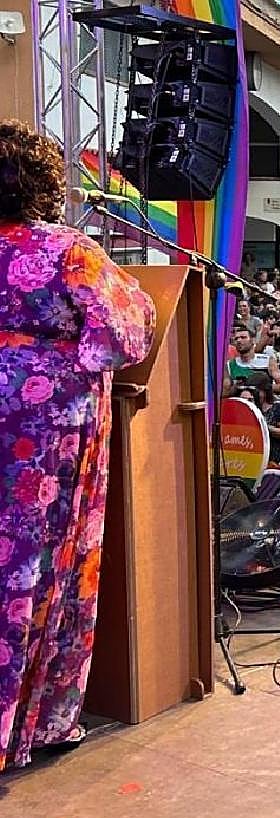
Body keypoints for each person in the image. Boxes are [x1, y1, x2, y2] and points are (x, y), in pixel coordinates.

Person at [0, 119, 156, 770]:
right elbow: (127, 329)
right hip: (49, 428)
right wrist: (69, 361)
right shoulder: (67, 251)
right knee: (46, 564)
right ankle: (39, 721)